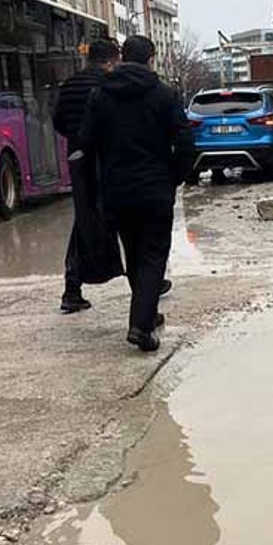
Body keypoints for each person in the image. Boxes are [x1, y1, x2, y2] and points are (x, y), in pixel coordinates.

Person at [78, 35, 195, 353]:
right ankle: (141, 326)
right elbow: (186, 142)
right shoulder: (164, 94)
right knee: (153, 255)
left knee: (134, 254)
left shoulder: (100, 95)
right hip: (155, 188)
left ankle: (147, 313)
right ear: (150, 59)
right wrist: (174, 177)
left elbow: (85, 141)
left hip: (117, 190)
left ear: (122, 58)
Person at [53, 38, 123, 314]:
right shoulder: (109, 85)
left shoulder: (70, 84)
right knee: (125, 218)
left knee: (84, 220)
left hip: (78, 159)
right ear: (111, 61)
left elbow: (58, 120)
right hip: (107, 158)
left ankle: (72, 288)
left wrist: (76, 138)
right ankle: (146, 281)